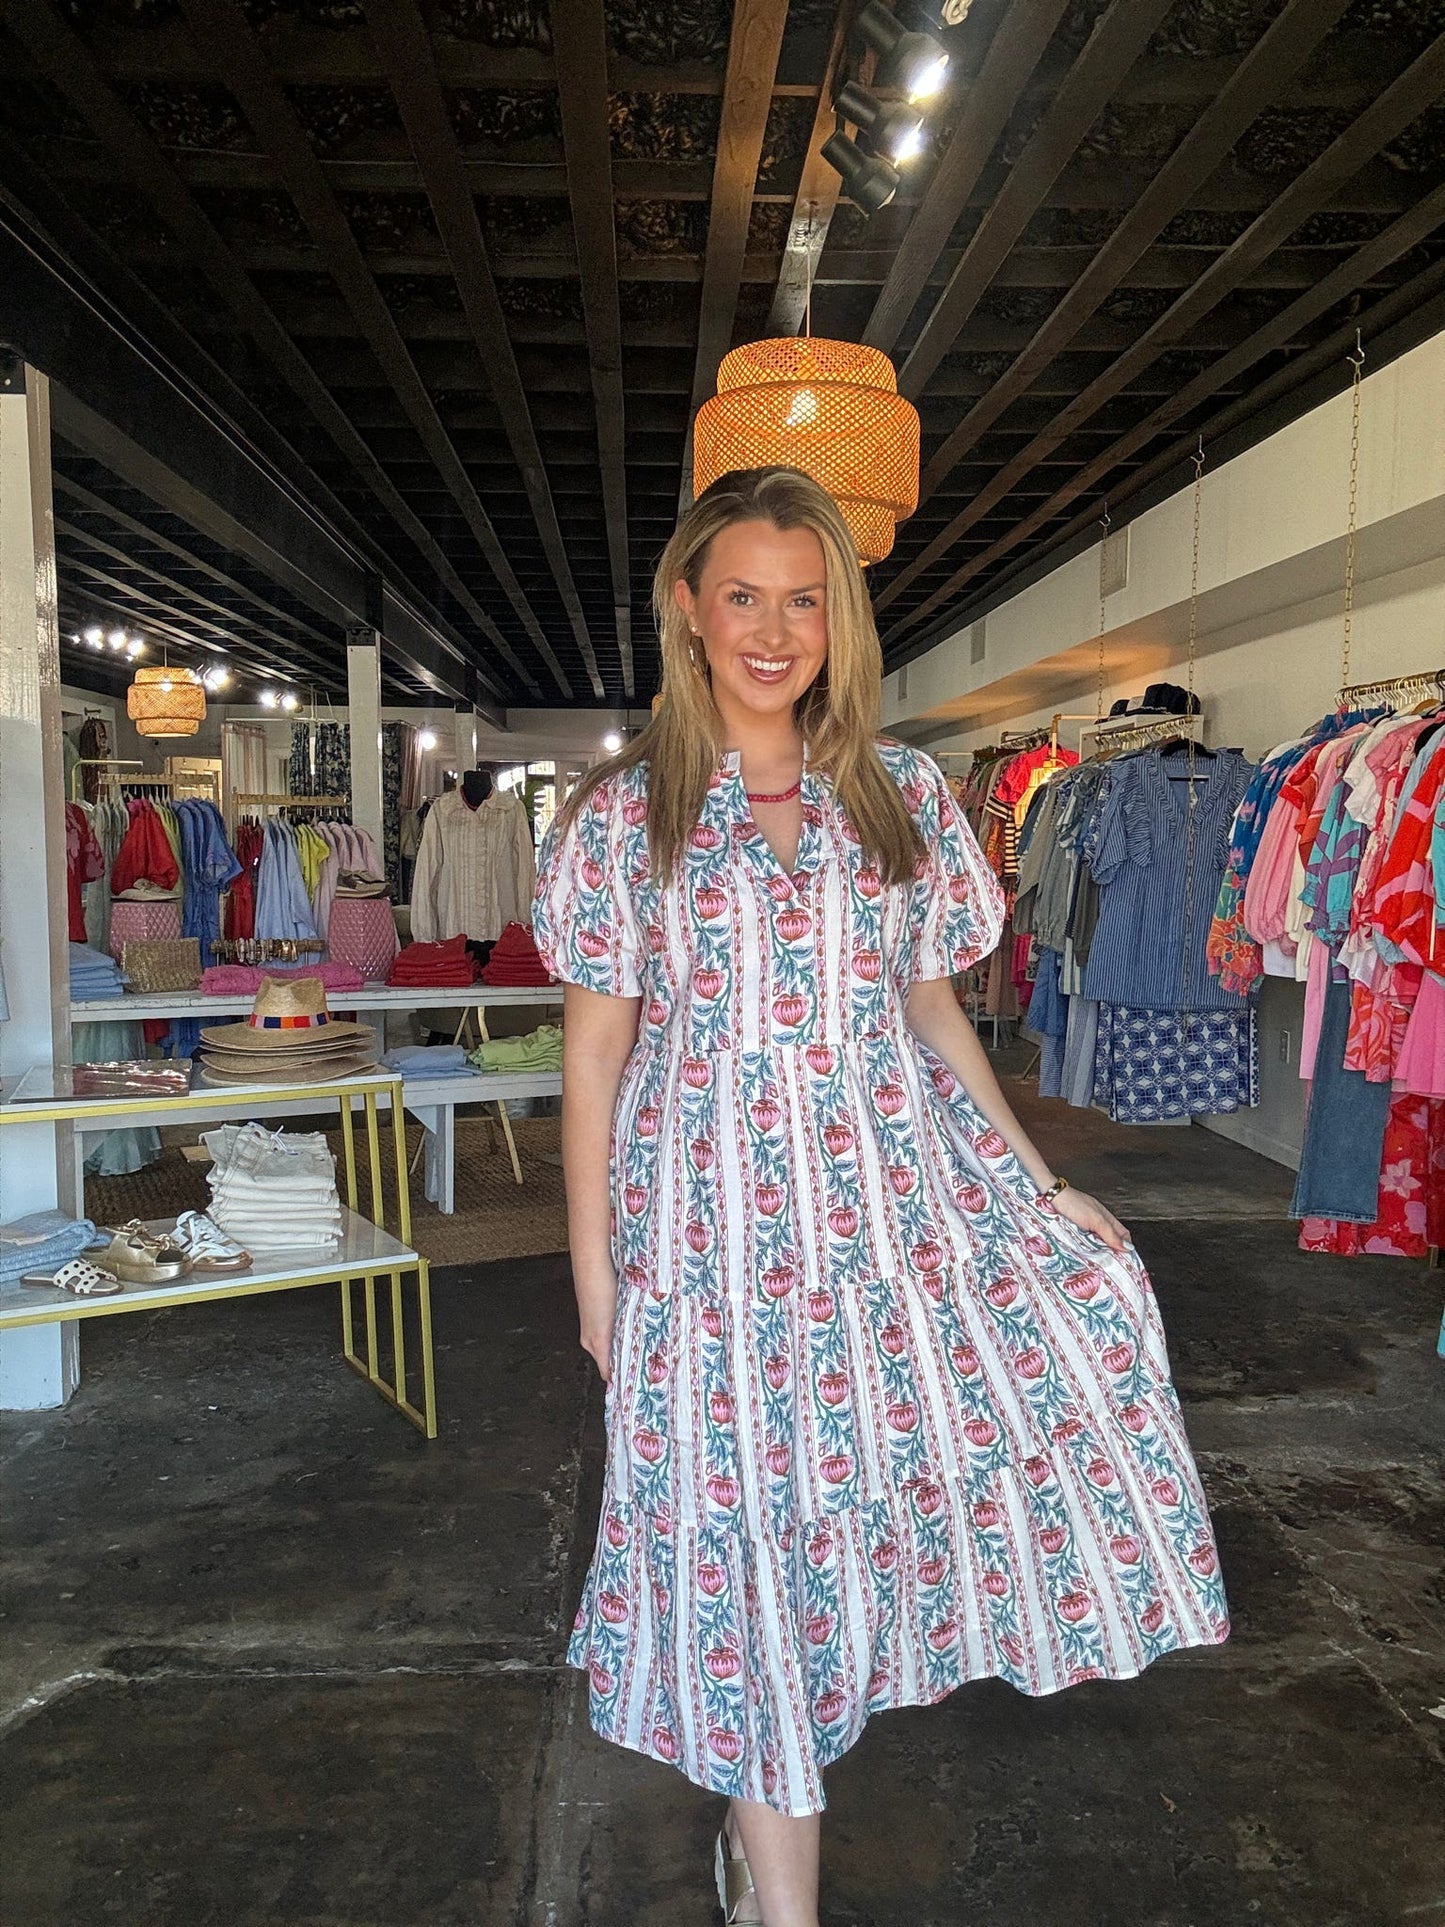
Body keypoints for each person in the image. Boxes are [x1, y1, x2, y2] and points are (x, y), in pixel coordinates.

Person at [531, 466, 1229, 1926]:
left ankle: (766, 1843)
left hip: (887, 1218)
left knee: (842, 1509)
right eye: (742, 596)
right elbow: (592, 1061)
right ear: (688, 608)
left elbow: (933, 1012)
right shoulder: (622, 817)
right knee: (737, 1548)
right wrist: (597, 1282)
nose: (772, 631)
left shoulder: (897, 791)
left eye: (804, 600)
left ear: (835, 618)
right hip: (706, 1238)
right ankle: (780, 1898)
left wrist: (1037, 1188)